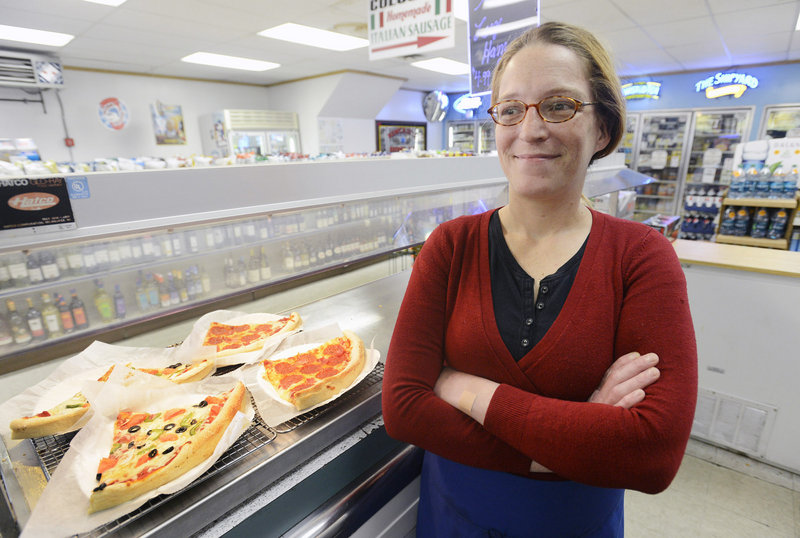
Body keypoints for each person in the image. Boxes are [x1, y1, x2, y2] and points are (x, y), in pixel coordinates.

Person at [382, 21, 698, 537]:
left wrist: (463, 387)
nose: (530, 130)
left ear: (602, 129)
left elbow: (651, 454)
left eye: (559, 105)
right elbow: (403, 409)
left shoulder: (642, 257)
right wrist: (574, 444)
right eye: (510, 110)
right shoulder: (450, 246)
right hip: (455, 519)